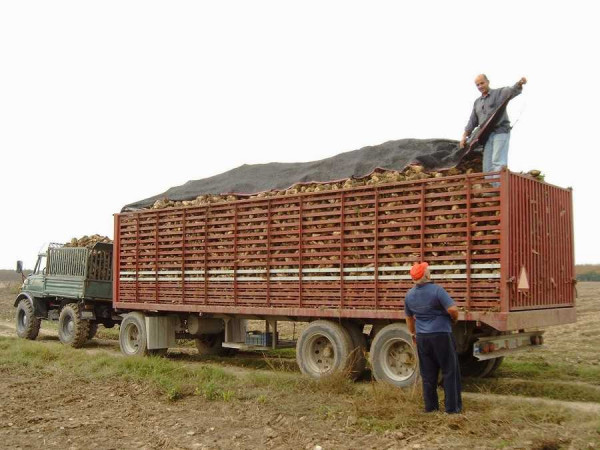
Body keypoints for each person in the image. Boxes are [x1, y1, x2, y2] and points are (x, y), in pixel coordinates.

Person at [404, 262, 462, 414]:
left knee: (428, 374)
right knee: (449, 370)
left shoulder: (409, 295)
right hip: (442, 334)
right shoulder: (437, 291)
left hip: (423, 337)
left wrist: (413, 333)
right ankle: (452, 409)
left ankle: (431, 407)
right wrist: (454, 320)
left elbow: (409, 318)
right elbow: (452, 309)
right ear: (427, 275)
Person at [459, 74, 527, 173]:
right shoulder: (477, 102)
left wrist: (520, 83)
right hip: (486, 135)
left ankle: (500, 186)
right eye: (477, 85)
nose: (480, 86)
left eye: (482, 83)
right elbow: (472, 121)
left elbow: (511, 91)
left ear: (488, 82)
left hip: (500, 131)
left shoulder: (498, 93)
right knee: (487, 165)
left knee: (498, 161)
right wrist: (464, 136)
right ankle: (492, 187)